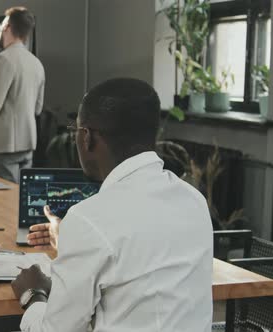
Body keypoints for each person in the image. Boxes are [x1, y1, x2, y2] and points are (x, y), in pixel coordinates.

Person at [11, 78, 213, 331]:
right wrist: (70, 247)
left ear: (87, 138)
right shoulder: (193, 200)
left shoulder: (89, 219)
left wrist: (32, 293)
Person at [0, 6, 45, 183]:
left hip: (4, 145)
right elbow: (37, 108)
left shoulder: (3, 59)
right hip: (27, 143)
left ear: (7, 27)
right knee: (20, 197)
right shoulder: (36, 63)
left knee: (5, 201)